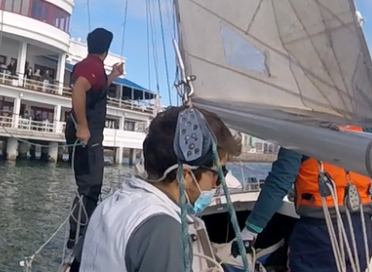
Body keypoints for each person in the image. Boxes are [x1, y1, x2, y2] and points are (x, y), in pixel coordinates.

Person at [76, 106, 242, 271]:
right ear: (185, 176)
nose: (218, 184)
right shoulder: (164, 230)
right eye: (219, 175)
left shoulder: (110, 205)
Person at [232, 126, 372, 272]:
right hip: (360, 231)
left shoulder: (300, 133)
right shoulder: (369, 132)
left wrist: (250, 231)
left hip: (319, 235)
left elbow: (279, 184)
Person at [65, 27, 124, 249]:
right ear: (106, 50)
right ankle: (78, 238)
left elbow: (95, 91)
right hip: (87, 135)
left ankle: (79, 235)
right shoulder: (91, 67)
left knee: (90, 185)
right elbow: (79, 89)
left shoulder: (94, 68)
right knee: (90, 186)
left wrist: (113, 76)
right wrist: (83, 126)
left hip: (88, 134)